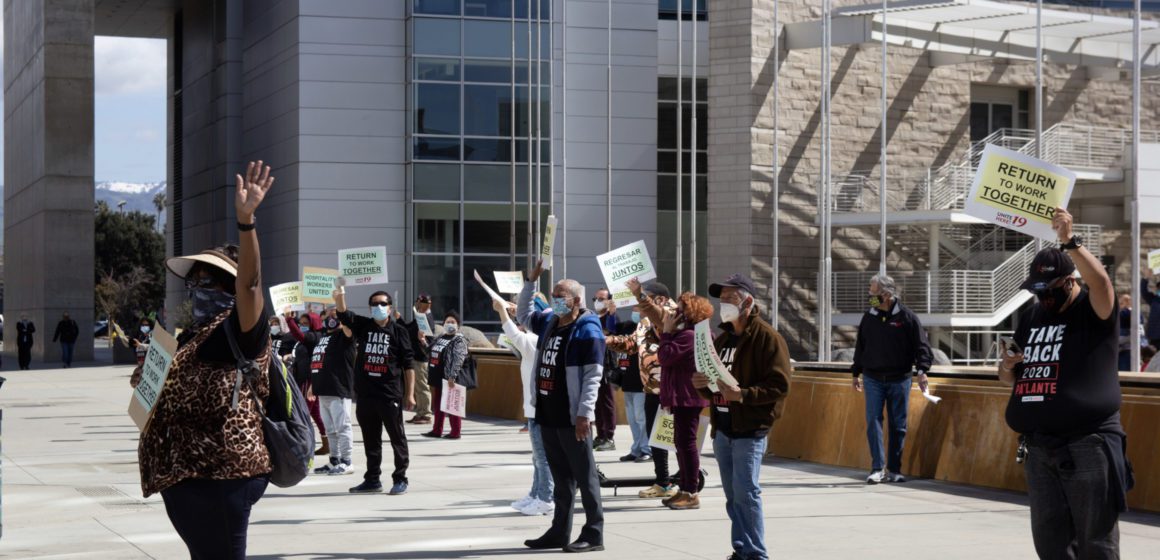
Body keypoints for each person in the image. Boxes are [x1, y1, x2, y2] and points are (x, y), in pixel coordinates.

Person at [136, 160, 275, 559]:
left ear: (229, 287)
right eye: (194, 280)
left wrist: (246, 223)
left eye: (209, 280)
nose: (197, 287)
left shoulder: (241, 329)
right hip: (184, 476)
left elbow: (250, 284)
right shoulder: (191, 339)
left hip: (224, 474)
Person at [999, 207, 1133, 559]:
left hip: (1088, 443)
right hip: (1039, 447)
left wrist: (1069, 242)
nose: (1043, 297)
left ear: (1070, 281)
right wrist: (1008, 365)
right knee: (1050, 542)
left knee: (1096, 541)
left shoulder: (1094, 309)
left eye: (1049, 289)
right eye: (1037, 291)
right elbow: (1007, 378)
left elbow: (1102, 283)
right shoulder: (1032, 317)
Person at [693, 273, 792, 560]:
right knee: (733, 496)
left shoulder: (768, 338)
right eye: (721, 298)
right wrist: (702, 386)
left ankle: (757, 553)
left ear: (747, 301)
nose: (723, 303)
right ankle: (742, 548)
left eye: (730, 298)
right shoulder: (723, 339)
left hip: (750, 428)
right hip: (723, 428)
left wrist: (744, 395)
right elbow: (715, 386)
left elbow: (780, 386)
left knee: (746, 493)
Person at [517, 259, 606, 553]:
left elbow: (593, 376)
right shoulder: (550, 322)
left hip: (572, 418)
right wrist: (531, 281)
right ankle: (559, 531)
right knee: (561, 478)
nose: (555, 300)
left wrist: (584, 414)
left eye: (561, 296)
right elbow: (523, 314)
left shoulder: (587, 330)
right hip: (548, 413)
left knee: (585, 476)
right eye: (553, 296)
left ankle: (594, 533)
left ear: (577, 300)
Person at [635, 285, 712, 509]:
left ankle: (691, 492)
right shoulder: (687, 334)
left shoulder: (689, 336)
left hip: (688, 398)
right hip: (681, 397)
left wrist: (667, 332)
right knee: (680, 444)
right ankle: (685, 489)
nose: (674, 313)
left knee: (686, 445)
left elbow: (665, 357)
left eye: (680, 309)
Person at [850, 274, 933, 484]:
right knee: (873, 422)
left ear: (886, 295)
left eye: (873, 292)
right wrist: (855, 373)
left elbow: (922, 347)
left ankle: (895, 469)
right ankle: (877, 468)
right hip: (872, 378)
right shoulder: (868, 316)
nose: (870, 295)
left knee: (898, 425)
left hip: (900, 379)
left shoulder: (907, 317)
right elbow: (861, 346)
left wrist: (922, 370)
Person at [335, 287, 416, 496]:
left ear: (390, 308)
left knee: (397, 438)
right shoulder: (365, 326)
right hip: (366, 395)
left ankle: (400, 478)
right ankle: (372, 479)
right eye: (374, 304)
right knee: (371, 440)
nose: (378, 307)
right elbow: (344, 315)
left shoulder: (399, 331)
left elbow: (408, 364)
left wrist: (410, 394)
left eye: (382, 304)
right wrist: (340, 294)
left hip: (389, 395)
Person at [607, 281, 677, 499]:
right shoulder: (644, 321)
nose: (639, 303)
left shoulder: (674, 315)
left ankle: (687, 480)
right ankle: (662, 482)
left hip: (672, 389)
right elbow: (632, 343)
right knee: (657, 439)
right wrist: (607, 340)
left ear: (661, 299)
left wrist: (640, 295)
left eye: (644, 297)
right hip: (652, 388)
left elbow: (660, 321)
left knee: (677, 438)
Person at [498, 300, 555, 517]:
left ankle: (545, 498)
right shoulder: (536, 339)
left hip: (538, 408)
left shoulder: (535, 339)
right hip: (533, 409)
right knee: (537, 457)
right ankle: (536, 494)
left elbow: (513, 334)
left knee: (542, 458)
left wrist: (502, 312)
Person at [311, 306, 358, 476]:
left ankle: (347, 461)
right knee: (330, 429)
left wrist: (341, 309)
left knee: (342, 427)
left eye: (335, 315)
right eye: (329, 315)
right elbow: (319, 361)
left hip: (338, 389)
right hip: (323, 389)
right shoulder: (324, 337)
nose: (331, 318)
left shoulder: (344, 336)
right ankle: (334, 460)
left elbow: (347, 323)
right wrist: (313, 385)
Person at [286, 310, 329, 456]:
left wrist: (288, 320)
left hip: (308, 381)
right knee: (316, 413)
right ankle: (326, 443)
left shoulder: (314, 336)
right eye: (301, 323)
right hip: (304, 380)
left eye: (306, 323)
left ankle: (304, 445)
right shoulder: (309, 338)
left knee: (302, 413)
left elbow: (299, 334)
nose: (302, 326)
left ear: (314, 323)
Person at [422, 310, 469, 440]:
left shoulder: (459, 340)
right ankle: (437, 430)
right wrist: (423, 342)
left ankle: (455, 432)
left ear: (458, 325)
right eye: (447, 322)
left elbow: (458, 359)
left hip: (450, 377)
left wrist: (452, 376)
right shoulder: (441, 337)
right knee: (438, 405)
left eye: (453, 322)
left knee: (453, 405)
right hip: (438, 376)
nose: (450, 324)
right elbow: (430, 351)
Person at [609, 313, 649, 463]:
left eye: (639, 308)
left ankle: (647, 449)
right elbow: (611, 329)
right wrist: (612, 313)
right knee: (632, 419)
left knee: (641, 418)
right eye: (634, 308)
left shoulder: (649, 329)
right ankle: (637, 449)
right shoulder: (627, 326)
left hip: (641, 383)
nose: (636, 312)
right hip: (627, 382)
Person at [592, 288, 618, 452]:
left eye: (601, 298)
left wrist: (612, 313)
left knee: (607, 403)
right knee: (596, 403)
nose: (597, 301)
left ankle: (609, 436)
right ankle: (600, 434)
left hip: (607, 366)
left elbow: (611, 331)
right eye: (595, 298)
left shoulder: (611, 318)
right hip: (594, 364)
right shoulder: (592, 317)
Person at [404, 294, 436, 425]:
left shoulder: (426, 318)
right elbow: (409, 329)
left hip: (421, 356)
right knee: (417, 386)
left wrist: (422, 339)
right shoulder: (419, 316)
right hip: (415, 355)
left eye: (419, 302)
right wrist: (399, 320)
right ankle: (420, 412)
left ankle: (426, 414)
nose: (417, 304)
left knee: (422, 386)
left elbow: (429, 340)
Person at [1142, 273, 1160, 348]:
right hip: (1154, 336)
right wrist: (1145, 279)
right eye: (1158, 288)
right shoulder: (1154, 299)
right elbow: (1144, 292)